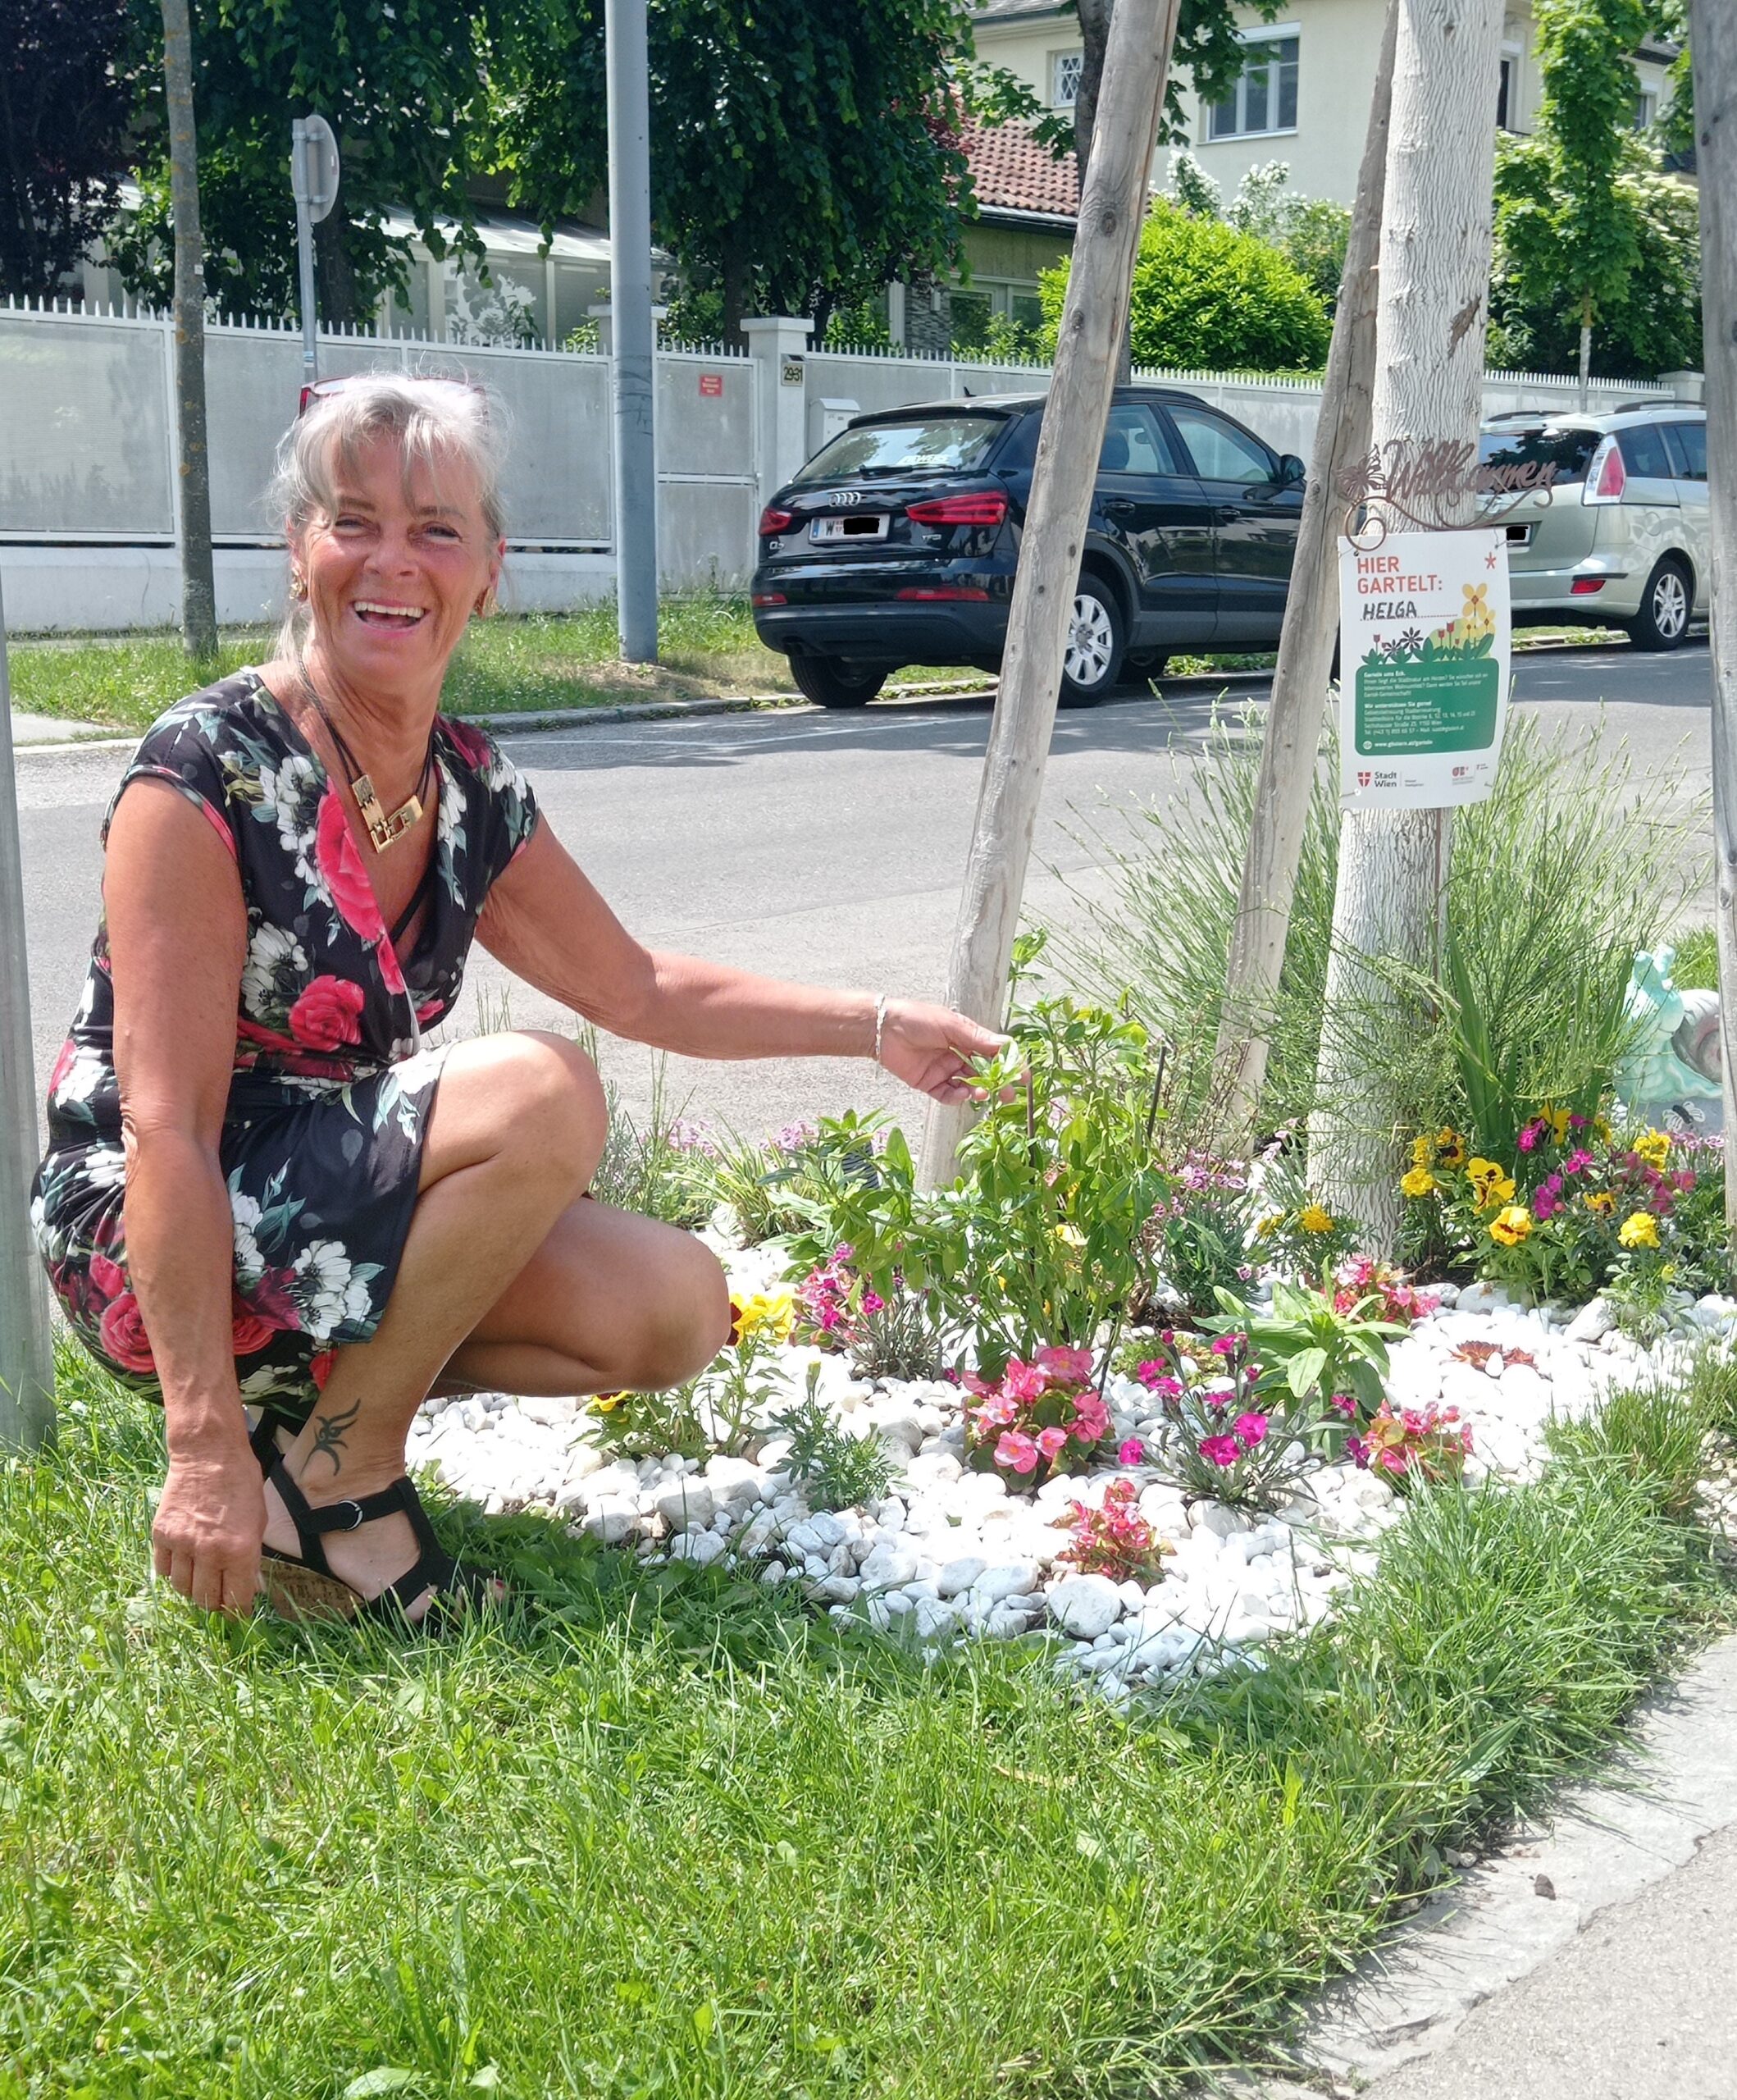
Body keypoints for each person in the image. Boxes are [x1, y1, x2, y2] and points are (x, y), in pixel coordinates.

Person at [31, 372, 1002, 1625]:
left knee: (670, 1307)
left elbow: (640, 988)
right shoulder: (207, 768)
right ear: (299, 552)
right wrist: (198, 1442)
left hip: (325, 1208)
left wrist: (873, 1027)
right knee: (540, 1089)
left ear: (489, 571)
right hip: (155, 1220)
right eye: (354, 521)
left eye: (435, 529)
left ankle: (313, 1442)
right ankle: (338, 1486)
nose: (393, 561)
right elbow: (165, 1126)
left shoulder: (470, 788)